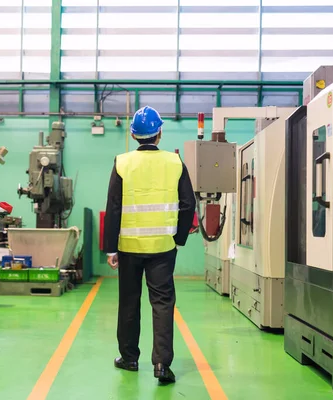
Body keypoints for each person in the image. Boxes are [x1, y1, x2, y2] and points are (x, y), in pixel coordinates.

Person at [103, 105, 196, 384]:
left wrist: (111, 248)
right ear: (160, 134)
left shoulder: (122, 162)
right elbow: (188, 204)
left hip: (129, 247)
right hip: (162, 248)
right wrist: (178, 239)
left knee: (129, 302)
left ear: (133, 135)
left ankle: (129, 358)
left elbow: (114, 207)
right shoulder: (175, 162)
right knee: (163, 303)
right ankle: (161, 365)